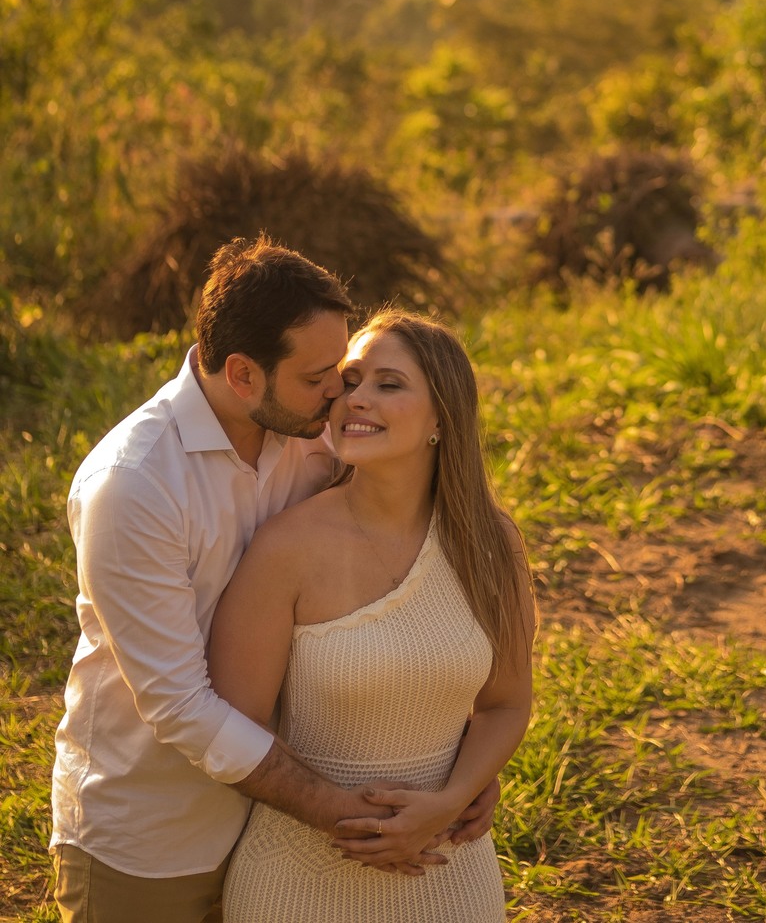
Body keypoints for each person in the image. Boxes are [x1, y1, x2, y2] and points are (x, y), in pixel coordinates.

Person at [50, 239, 498, 923]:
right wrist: (354, 819)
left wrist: (460, 771)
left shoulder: (316, 434)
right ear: (241, 374)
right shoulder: (135, 486)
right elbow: (179, 708)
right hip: (153, 839)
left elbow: (389, 599)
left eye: (343, 372)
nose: (341, 394)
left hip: (274, 831)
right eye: (322, 376)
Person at [210, 309, 536, 923]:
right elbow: (234, 728)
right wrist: (341, 816)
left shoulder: (491, 543)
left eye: (389, 384)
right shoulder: (286, 547)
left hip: (448, 874)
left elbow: (506, 703)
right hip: (297, 881)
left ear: (443, 415)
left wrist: (452, 800)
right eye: (350, 381)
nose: (356, 399)